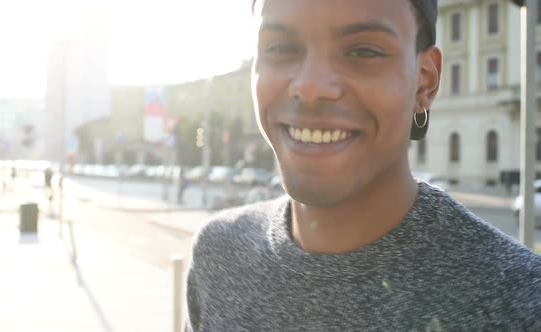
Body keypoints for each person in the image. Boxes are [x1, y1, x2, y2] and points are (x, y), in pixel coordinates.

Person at [184, 0, 541, 331]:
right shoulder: (217, 253)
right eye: (279, 48)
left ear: (425, 81)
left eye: (363, 50)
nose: (310, 87)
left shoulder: (522, 301)